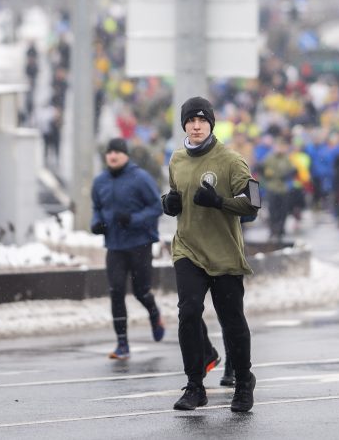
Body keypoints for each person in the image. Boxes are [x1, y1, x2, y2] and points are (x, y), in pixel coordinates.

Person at [161, 96, 261, 412]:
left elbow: (254, 203)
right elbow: (175, 193)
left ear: (211, 123)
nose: (196, 126)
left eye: (202, 120)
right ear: (184, 125)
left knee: (231, 320)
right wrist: (168, 203)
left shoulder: (232, 160)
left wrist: (220, 202)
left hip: (224, 253)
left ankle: (244, 382)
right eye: (191, 121)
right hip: (188, 248)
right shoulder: (176, 159)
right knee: (188, 311)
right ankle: (195, 385)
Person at [90, 137, 165, 360]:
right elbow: (97, 207)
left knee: (141, 291)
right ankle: (122, 344)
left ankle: (154, 314)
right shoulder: (100, 181)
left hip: (139, 243)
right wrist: (96, 223)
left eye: (117, 152)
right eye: (109, 152)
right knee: (116, 292)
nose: (112, 155)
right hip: (114, 245)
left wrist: (133, 219)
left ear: (126, 155)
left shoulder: (140, 178)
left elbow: (156, 207)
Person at [261, 137, 295, 240]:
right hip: (272, 187)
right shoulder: (269, 158)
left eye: (282, 147)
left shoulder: (287, 158)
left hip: (283, 188)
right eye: (278, 146)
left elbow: (292, 170)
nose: (280, 149)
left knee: (283, 211)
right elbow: (262, 169)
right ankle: (273, 230)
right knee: (272, 210)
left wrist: (289, 174)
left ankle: (281, 229)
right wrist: (267, 175)